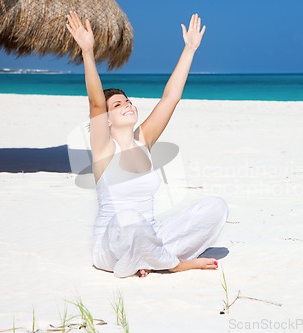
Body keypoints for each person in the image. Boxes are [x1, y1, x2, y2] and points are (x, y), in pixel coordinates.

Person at [66, 11, 228, 278]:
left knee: (216, 208)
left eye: (128, 101)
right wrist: (87, 52)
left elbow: (170, 98)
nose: (127, 104)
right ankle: (173, 263)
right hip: (111, 245)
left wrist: (189, 50)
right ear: (106, 121)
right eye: (118, 105)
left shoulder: (144, 140)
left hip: (151, 235)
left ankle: (148, 260)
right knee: (129, 219)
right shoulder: (104, 149)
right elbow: (95, 102)